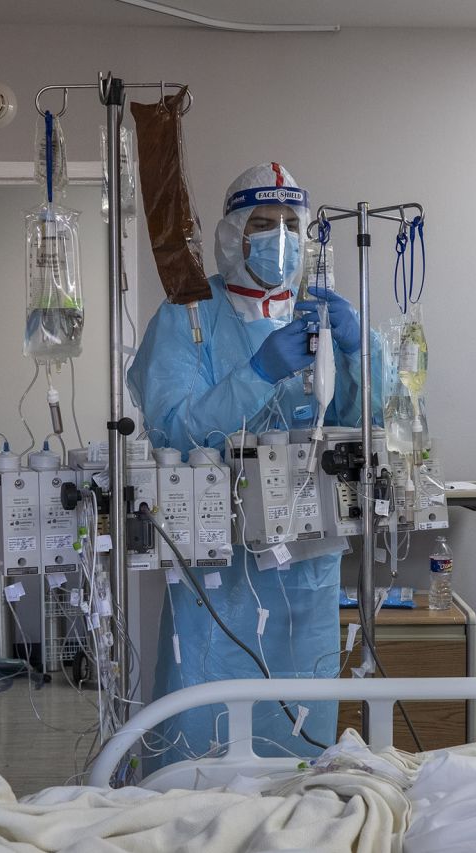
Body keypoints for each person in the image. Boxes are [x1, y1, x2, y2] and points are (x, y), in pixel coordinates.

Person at [128, 163, 382, 769]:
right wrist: (257, 373)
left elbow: (367, 419)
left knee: (302, 730)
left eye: (293, 225)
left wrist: (358, 349)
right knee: (201, 725)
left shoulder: (318, 312)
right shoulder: (188, 315)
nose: (281, 239)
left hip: (307, 567)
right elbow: (174, 429)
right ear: (233, 234)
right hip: (216, 569)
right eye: (264, 224)